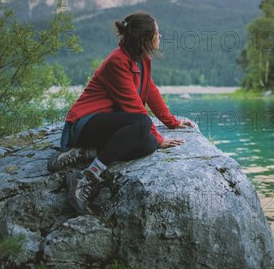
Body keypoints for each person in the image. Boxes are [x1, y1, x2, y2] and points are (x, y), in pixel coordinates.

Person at [48, 12, 194, 214]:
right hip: (84, 123)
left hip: (106, 125)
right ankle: (88, 176)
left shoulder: (142, 59)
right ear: (145, 38)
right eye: (157, 33)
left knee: (148, 144)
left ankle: (84, 153)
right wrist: (160, 137)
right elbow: (134, 108)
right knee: (143, 126)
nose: (160, 36)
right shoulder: (117, 62)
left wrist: (171, 122)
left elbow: (149, 90)